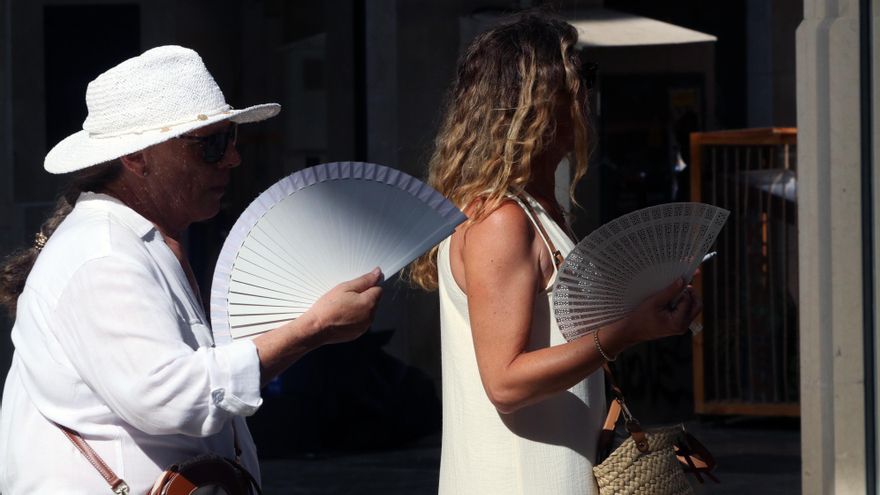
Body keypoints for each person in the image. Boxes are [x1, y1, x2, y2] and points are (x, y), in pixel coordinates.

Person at [0, 45, 382, 493]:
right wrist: (312, 329)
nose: (232, 159)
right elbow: (172, 398)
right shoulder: (103, 253)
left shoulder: (143, 239)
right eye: (212, 145)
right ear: (137, 157)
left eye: (231, 139)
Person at [408, 14, 703, 494]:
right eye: (581, 78)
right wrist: (628, 331)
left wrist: (645, 314)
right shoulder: (502, 220)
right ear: (537, 101)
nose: (588, 95)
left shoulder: (538, 210)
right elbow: (504, 383)